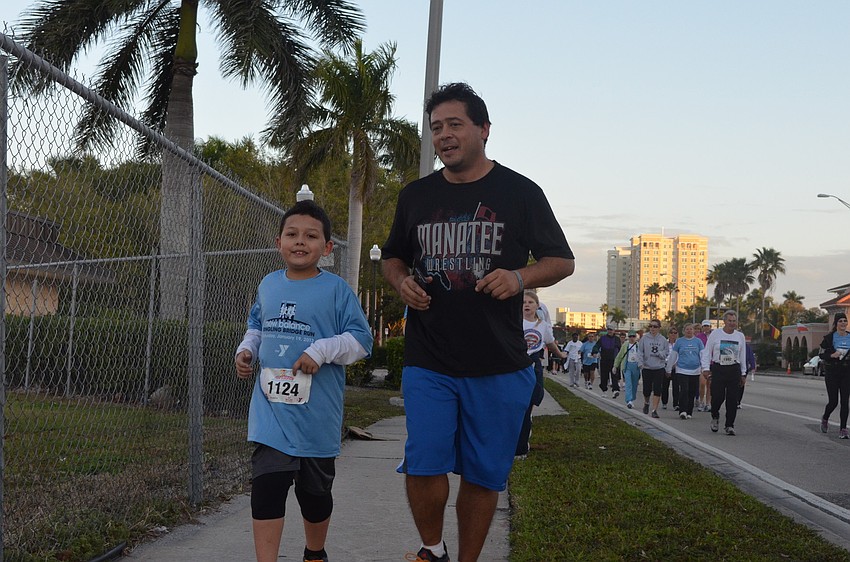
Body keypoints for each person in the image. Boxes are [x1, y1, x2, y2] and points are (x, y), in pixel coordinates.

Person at [381, 82, 575, 562]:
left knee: (484, 475)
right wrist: (401, 280)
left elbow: (561, 260)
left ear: (484, 130)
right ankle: (432, 550)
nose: (444, 136)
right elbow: (392, 257)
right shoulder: (416, 197)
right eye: (436, 128)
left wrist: (518, 275)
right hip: (430, 357)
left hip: (499, 361)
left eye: (454, 125)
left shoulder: (520, 192)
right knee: (423, 463)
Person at [234, 200, 373, 562]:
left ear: (327, 248)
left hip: (316, 417)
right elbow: (256, 326)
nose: (300, 242)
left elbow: (361, 341)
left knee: (314, 496)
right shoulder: (268, 285)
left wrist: (321, 350)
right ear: (278, 241)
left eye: (311, 236)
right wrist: (246, 350)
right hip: (271, 414)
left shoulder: (336, 290)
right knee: (267, 486)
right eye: (292, 234)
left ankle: (314, 553)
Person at [516, 290, 566, 457]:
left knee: (535, 396)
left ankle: (523, 441)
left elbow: (551, 344)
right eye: (523, 302)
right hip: (518, 364)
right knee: (519, 405)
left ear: (537, 306)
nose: (527, 305)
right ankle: (519, 447)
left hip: (534, 364)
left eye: (530, 302)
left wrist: (561, 355)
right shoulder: (514, 323)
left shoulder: (542, 326)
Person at [700, 310, 746, 436]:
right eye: (729, 321)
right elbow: (707, 351)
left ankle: (729, 425)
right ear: (724, 321)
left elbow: (742, 355)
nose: (732, 323)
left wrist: (743, 373)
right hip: (719, 368)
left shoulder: (739, 336)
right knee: (718, 397)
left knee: (732, 399)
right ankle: (715, 415)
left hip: (734, 369)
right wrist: (705, 368)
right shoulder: (716, 334)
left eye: (734, 321)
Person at [818, 312, 850, 439]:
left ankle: (843, 429)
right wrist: (832, 355)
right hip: (832, 372)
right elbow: (820, 354)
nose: (843, 323)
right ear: (836, 324)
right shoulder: (829, 338)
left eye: (844, 321)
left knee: (845, 402)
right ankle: (825, 418)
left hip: (846, 372)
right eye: (840, 321)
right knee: (833, 402)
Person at [667, 323, 704, 420]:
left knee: (692, 391)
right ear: (684, 331)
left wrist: (704, 367)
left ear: (694, 331)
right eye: (687, 329)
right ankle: (682, 410)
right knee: (684, 390)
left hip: (695, 370)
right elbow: (673, 355)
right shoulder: (679, 341)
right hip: (682, 370)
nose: (689, 331)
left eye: (691, 329)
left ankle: (689, 411)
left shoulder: (698, 342)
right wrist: (669, 368)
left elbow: (703, 355)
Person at [636, 319, 669, 417]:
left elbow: (666, 352)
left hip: (659, 367)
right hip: (647, 367)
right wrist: (640, 363)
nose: (653, 328)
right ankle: (646, 403)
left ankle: (654, 410)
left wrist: (660, 354)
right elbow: (640, 352)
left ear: (659, 328)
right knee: (646, 389)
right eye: (651, 326)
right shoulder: (644, 339)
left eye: (655, 326)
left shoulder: (663, 340)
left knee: (657, 389)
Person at [614, 330, 641, 409]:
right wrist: (615, 366)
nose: (632, 338)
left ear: (635, 337)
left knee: (634, 384)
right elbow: (620, 356)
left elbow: (643, 356)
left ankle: (632, 399)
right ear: (628, 337)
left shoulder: (638, 345)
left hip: (636, 366)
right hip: (627, 366)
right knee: (628, 383)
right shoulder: (625, 345)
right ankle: (628, 400)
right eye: (630, 336)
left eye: (633, 336)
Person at [596, 326, 622, 398]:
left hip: (614, 361)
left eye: (611, 330)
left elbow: (620, 349)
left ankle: (615, 390)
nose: (610, 331)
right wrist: (594, 352)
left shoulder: (617, 339)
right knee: (604, 377)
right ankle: (604, 391)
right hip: (604, 360)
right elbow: (597, 346)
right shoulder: (603, 338)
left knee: (614, 376)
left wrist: (620, 359)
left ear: (614, 331)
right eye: (609, 330)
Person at [696, 320, 713, 411]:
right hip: (702, 363)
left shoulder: (713, 336)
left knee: (710, 385)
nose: (706, 328)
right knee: (702, 383)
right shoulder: (699, 337)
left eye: (708, 326)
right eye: (704, 326)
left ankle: (708, 403)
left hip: (712, 363)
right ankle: (701, 401)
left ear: (710, 327)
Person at [662, 326, 679, 410]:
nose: (673, 334)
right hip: (666, 365)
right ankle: (664, 402)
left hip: (676, 367)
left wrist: (675, 364)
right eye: (671, 333)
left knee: (676, 386)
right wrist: (666, 364)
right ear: (668, 334)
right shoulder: (664, 343)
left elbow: (680, 355)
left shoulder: (679, 343)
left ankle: (676, 404)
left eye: (675, 333)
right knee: (665, 386)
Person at [739, 336, 757, 408]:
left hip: (743, 368)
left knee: (741, 385)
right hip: (732, 368)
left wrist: (753, 367)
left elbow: (751, 356)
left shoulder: (746, 346)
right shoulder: (731, 344)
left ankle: (738, 401)